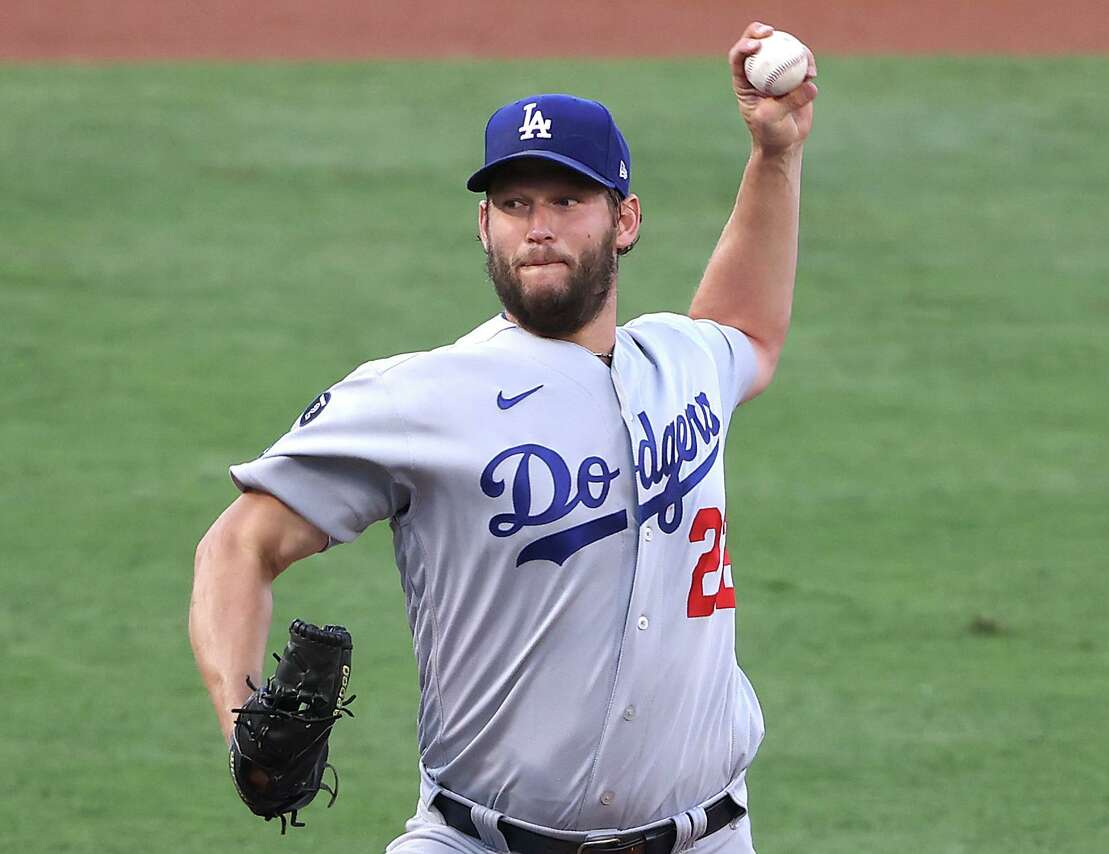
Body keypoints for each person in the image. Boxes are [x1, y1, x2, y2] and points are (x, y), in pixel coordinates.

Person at [190, 21, 817, 854]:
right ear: (483, 226)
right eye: (515, 204)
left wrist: (774, 156)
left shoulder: (684, 361)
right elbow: (239, 545)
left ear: (624, 219)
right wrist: (243, 723)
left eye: (567, 200)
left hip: (705, 836)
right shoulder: (418, 396)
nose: (539, 226)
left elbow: (748, 328)